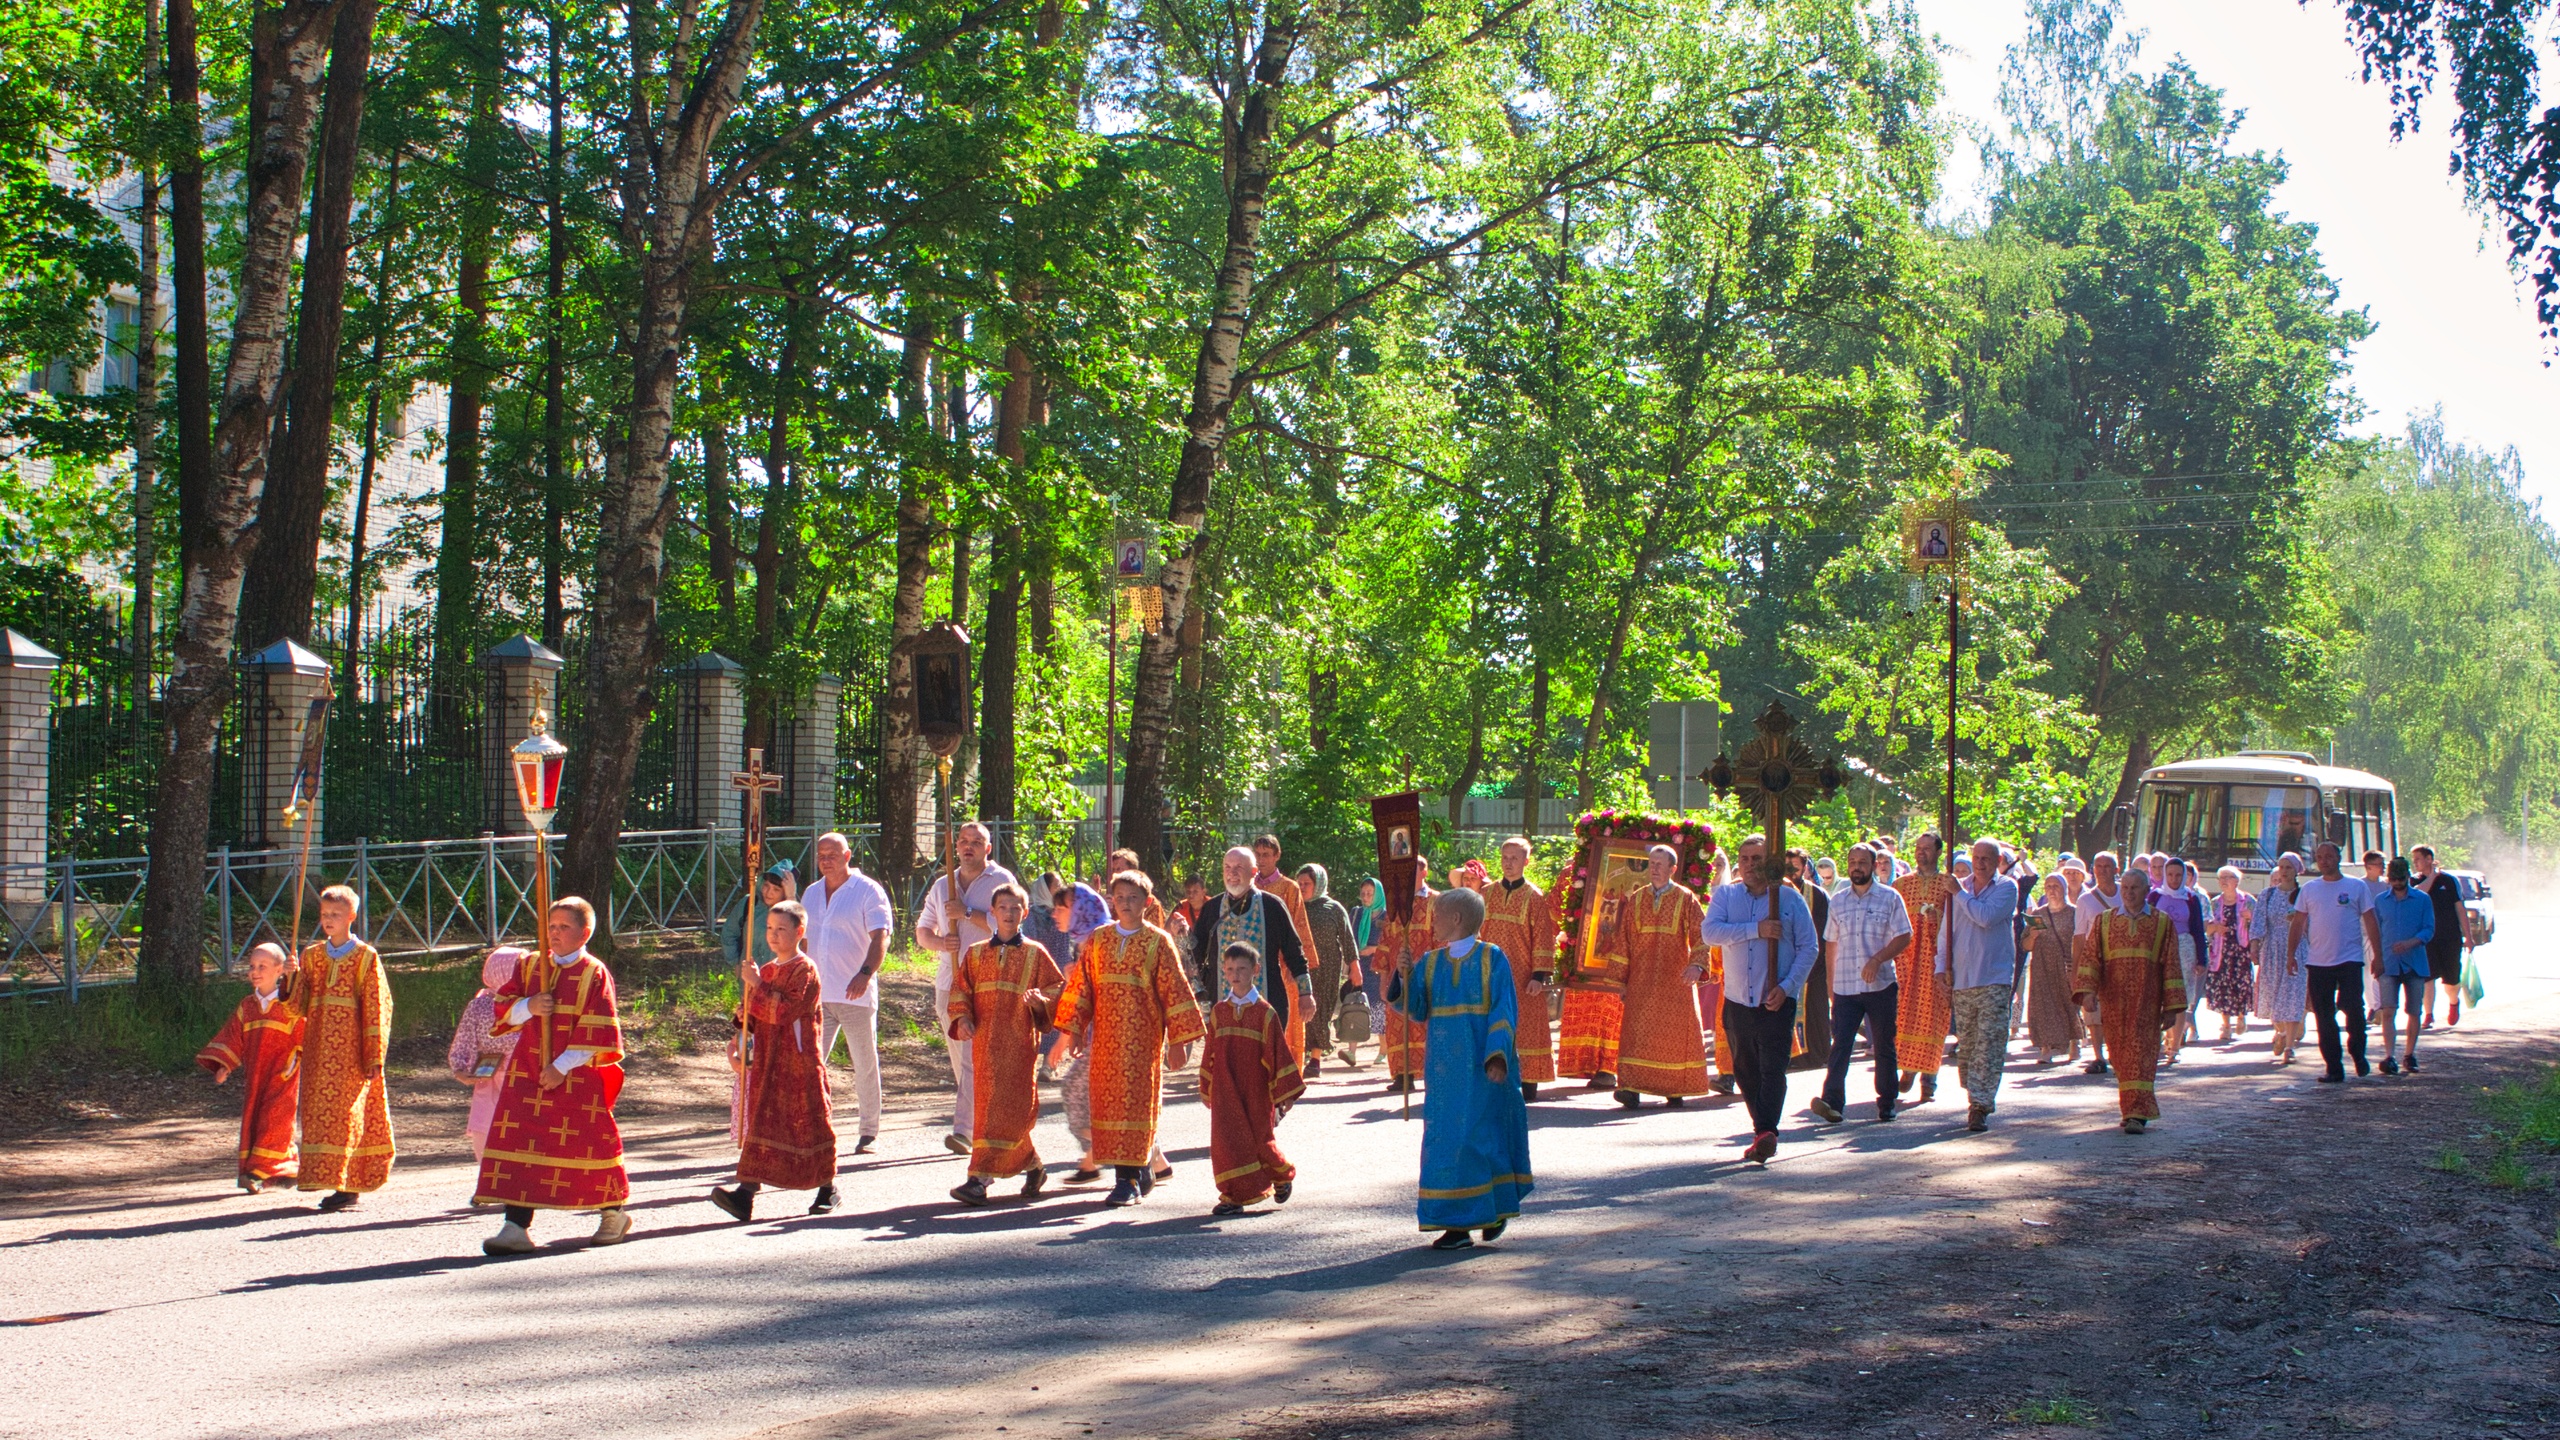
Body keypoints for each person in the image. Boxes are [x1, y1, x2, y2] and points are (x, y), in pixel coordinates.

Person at [477, 897, 632, 1254]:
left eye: (564, 927)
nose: (555, 934)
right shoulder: (531, 965)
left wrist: (561, 1067)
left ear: (585, 933)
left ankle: (612, 1213)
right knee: (520, 1142)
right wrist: (528, 1006)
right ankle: (515, 1225)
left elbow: (601, 1031)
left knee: (588, 1144)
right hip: (527, 1072)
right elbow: (502, 1010)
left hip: (576, 1075)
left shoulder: (595, 973)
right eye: (551, 926)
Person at [1051, 871, 1204, 1207]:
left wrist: (1178, 1042)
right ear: (1112, 901)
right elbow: (1083, 988)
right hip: (1105, 1043)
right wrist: (1074, 1028)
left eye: (1133, 898)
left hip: (1142, 1044)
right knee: (1108, 1107)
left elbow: (1174, 992)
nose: (1125, 904)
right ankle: (1138, 1172)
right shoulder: (1099, 940)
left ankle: (1128, 1181)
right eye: (1119, 898)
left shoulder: (1158, 942)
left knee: (1135, 1108)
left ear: (1147, 902)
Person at [1397, 886, 1532, 1250]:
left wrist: (1497, 1056)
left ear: (1456, 919)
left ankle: (1477, 1217)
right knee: (1444, 1141)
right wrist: (1404, 976)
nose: (1432, 920)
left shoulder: (1492, 958)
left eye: (1437, 914)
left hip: (1481, 1068)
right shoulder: (1430, 961)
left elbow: (1504, 1009)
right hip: (1442, 1074)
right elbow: (1417, 1008)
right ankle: (1457, 1222)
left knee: (1478, 1139)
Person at [710, 901, 838, 1220]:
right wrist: (744, 1016)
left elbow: (784, 1012)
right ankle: (745, 1194)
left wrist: (757, 988)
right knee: (764, 1122)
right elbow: (757, 1016)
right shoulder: (765, 970)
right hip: (768, 1063)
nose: (774, 935)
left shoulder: (805, 969)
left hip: (798, 1062)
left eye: (782, 929)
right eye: (769, 928)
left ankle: (827, 1187)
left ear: (799, 932)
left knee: (807, 1123)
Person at [1698, 834, 1820, 1164]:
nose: (1750, 865)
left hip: (1776, 998)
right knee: (1745, 1069)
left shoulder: (1789, 900)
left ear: (1770, 862)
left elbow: (1809, 947)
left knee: (1772, 1068)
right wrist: (1756, 929)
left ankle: (1767, 1130)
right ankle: (1761, 1129)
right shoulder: (1726, 895)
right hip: (1738, 999)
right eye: (1745, 858)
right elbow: (1710, 933)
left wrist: (1788, 986)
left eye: (1757, 859)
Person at [946, 883, 1065, 1205]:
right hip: (984, 1047)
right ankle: (1033, 1165)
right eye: (1003, 907)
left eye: (1016, 908)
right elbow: (960, 992)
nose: (1009, 913)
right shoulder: (975, 953)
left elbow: (1058, 989)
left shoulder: (1035, 953)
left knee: (1011, 1110)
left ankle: (979, 1179)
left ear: (1024, 913)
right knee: (987, 1111)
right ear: (993, 912)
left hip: (1019, 1045)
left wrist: (1041, 1001)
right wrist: (963, 1019)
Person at [917, 821, 1022, 1157]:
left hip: (987, 982)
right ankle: (981, 1122)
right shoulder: (942, 884)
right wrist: (939, 941)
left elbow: (1008, 925)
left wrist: (968, 913)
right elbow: (922, 932)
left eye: (976, 842)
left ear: (987, 848)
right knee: (961, 1057)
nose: (968, 847)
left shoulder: (1001, 882)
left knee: (974, 1061)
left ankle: (967, 1130)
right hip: (950, 983)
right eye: (963, 841)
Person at [296, 885, 394, 1212]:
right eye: (324, 914)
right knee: (319, 1115)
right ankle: (329, 1177)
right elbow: (299, 1006)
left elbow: (377, 1007)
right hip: (318, 1049)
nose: (329, 920)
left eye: (335, 915)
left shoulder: (366, 957)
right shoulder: (310, 956)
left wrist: (374, 1052)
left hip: (352, 1051)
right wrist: (289, 980)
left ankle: (348, 1185)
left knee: (347, 1115)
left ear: (351, 916)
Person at [2072, 868, 2184, 1133]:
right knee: (2120, 1057)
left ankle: (2137, 1113)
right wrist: (2087, 992)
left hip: (2148, 1003)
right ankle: (2130, 1107)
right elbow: (2091, 958)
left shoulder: (2161, 922)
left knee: (2143, 1056)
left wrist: (2172, 1006)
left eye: (2135, 888)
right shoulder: (2105, 921)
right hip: (2114, 1003)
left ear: (2146, 891)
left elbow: (2171, 965)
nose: (2130, 893)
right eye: (2126, 888)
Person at [803, 832, 892, 1155]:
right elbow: (803, 941)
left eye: (832, 854)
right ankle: (810, 1127)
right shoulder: (811, 894)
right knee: (811, 1062)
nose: (826, 860)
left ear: (847, 855)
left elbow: (880, 937)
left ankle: (869, 1132)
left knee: (864, 1062)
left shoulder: (867, 890)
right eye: (821, 855)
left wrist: (865, 974)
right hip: (818, 995)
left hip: (855, 992)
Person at [1201, 941, 1304, 1216]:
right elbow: (1210, 1051)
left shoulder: (1265, 1013)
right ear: (1224, 970)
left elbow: (1278, 1053)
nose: (1236, 974)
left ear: (1255, 970)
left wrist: (1285, 1094)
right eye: (1231, 968)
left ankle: (1283, 1174)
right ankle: (1232, 1196)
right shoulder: (1219, 1012)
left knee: (1259, 1139)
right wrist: (1206, 1084)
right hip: (1225, 1089)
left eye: (1242, 968)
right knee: (1227, 1141)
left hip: (1256, 1090)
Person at [1812, 844, 1909, 1124]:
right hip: (1845, 986)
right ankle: (1832, 1101)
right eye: (1852, 861)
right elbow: (1831, 944)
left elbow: (1904, 935)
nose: (1857, 867)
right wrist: (1831, 985)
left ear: (1874, 865)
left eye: (1862, 862)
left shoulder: (1890, 898)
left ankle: (1887, 1100)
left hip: (1880, 986)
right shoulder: (1838, 900)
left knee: (1883, 1046)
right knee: (1840, 1045)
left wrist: (1878, 959)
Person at [197, 941, 305, 1192]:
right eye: (252, 966)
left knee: (275, 1118)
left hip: (283, 1072)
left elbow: (304, 1032)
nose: (255, 971)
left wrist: (296, 1059)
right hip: (256, 1073)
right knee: (256, 1118)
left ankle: (256, 1173)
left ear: (280, 970)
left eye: (263, 966)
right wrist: (225, 1065)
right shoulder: (247, 1006)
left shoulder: (289, 1004)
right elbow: (234, 1037)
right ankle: (285, 1168)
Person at [1611, 844, 1712, 1109]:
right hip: (1641, 980)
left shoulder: (1686, 898)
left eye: (1659, 864)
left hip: (1675, 980)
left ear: (1672, 868)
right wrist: (1621, 981)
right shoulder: (1637, 898)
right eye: (1651, 863)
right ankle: (1630, 1088)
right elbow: (1624, 940)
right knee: (1636, 1033)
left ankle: (1673, 1087)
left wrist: (1697, 965)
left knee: (1673, 1035)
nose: (1653, 869)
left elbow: (1702, 936)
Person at [1942, 838, 2020, 1132]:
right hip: (1963, 980)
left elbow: (1985, 917)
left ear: (1998, 861)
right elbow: (1945, 932)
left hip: (1993, 979)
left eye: (1987, 858)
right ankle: (1974, 1091)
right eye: (1976, 857)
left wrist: (1959, 894)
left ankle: (1980, 1104)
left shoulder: (2006, 888)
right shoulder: (1958, 888)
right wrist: (1941, 968)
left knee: (1989, 1044)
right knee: (1969, 1047)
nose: (1980, 863)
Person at [1471, 838, 1558, 1096]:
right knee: (1490, 1022)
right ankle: (1490, 1080)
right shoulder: (1486, 894)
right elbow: (1475, 932)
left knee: (1526, 1027)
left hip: (1522, 976)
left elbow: (1543, 937)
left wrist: (1538, 976)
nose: (1509, 863)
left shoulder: (1534, 897)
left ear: (1526, 861)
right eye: (1505, 858)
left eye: (1514, 859)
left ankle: (1528, 1082)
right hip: (1490, 973)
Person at [2292, 842, 2380, 1083]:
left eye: (2329, 856)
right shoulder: (2310, 889)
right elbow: (2298, 923)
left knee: (2353, 1008)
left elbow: (2371, 921)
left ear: (2338, 858)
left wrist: (2378, 957)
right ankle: (2333, 1066)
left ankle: (2358, 1054)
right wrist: (2290, 955)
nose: (2324, 861)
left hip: (2350, 959)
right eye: (2319, 857)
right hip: (2318, 962)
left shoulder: (2355, 886)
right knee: (2324, 1015)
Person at [1249, 835, 1326, 1072]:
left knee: (1288, 1021)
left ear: (1276, 856)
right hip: (1252, 966)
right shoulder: (1248, 886)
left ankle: (1288, 1074)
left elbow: (1299, 928)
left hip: (1284, 967)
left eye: (1266, 855)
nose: (1261, 860)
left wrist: (1298, 968)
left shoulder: (1290, 888)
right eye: (1258, 855)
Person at [1891, 833, 1957, 1105]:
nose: (1921, 853)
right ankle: (1906, 1069)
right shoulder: (1901, 885)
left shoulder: (1948, 885)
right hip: (1907, 962)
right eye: (1918, 848)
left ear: (1939, 852)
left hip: (1936, 963)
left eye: (1927, 849)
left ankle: (1929, 1078)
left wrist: (1937, 918)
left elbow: (1957, 922)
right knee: (1904, 1015)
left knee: (1935, 1019)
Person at [447, 946, 526, 1163]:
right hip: (489, 1077)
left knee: (522, 1131)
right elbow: (464, 1040)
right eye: (520, 971)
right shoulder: (480, 1005)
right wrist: (461, 1069)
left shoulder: (528, 1004)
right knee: (488, 1133)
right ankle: (491, 1181)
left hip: (524, 1076)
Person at [2369, 856, 2435, 1076]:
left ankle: (2410, 1053)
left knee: (2413, 1011)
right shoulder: (2380, 901)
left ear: (2408, 876)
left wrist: (2411, 943)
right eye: (2393, 879)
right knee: (2388, 1010)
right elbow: (2375, 932)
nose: (2397, 883)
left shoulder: (2422, 899)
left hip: (2415, 963)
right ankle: (2389, 1056)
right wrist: (2376, 958)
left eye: (2401, 878)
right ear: (2389, 879)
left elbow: (2429, 929)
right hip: (2388, 964)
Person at [1377, 862, 1439, 1092]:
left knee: (1425, 1023)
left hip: (1426, 975)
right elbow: (1385, 942)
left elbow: (1441, 938)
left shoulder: (1436, 901)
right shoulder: (1395, 904)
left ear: (1425, 872)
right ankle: (1403, 1075)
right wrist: (1383, 978)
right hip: (1398, 977)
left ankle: (1430, 1071)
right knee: (1398, 1021)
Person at [1296, 864, 1362, 1075]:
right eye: (1300, 883)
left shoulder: (1333, 908)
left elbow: (1347, 939)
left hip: (1327, 968)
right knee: (1297, 1010)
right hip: (1298, 967)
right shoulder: (1293, 906)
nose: (1302, 887)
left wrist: (1355, 968)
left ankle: (1315, 1059)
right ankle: (1298, 1054)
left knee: (1321, 1009)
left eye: (1307, 883)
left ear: (1319, 884)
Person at [2072, 852, 2127, 1075]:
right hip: (2094, 959)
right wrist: (2075, 971)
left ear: (2116, 869)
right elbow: (2078, 936)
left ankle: (2117, 1052)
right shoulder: (2085, 900)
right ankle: (2098, 1055)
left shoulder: (2127, 893)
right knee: (2093, 1009)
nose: (2102, 871)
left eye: (2107, 866)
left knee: (2118, 1007)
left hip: (2123, 959)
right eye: (2098, 866)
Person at [2253, 853, 2311, 1065]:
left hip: (2297, 950)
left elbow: (2313, 925)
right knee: (2273, 997)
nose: (2284, 871)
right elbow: (2258, 922)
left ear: (2296, 870)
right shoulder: (2267, 895)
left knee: (2293, 994)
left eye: (2288, 867)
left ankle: (2289, 1047)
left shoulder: (2304, 895)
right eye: (2281, 867)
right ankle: (2282, 1032)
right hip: (2272, 950)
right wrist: (2254, 945)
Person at [2409, 845, 2473, 1028]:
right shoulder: (2414, 881)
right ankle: (2428, 1015)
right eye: (2414, 860)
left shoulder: (2449, 881)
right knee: (2427, 978)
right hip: (2426, 938)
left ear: (2429, 858)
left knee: (2451, 981)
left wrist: (2468, 936)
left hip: (2450, 937)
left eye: (2418, 859)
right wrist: (2432, 877)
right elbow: (2419, 893)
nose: (2415, 863)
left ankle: (2454, 1002)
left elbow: (2460, 909)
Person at [2021, 875, 2081, 1065]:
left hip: (2066, 966)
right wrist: (2033, 936)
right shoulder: (2037, 915)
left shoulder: (2074, 913)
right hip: (2042, 967)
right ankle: (2045, 1048)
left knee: (2068, 1005)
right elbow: (2025, 946)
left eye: (2056, 886)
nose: (2052, 890)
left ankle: (2074, 1042)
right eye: (2048, 886)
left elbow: (2081, 939)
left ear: (2064, 888)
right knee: (2043, 1006)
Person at [2155, 858, 2210, 1062]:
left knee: (2180, 998)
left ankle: (2175, 1046)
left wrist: (2201, 959)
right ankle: (2160, 1040)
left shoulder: (2191, 899)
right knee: (2159, 996)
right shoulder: (2155, 896)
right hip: (2160, 948)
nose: (2174, 879)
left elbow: (2198, 929)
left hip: (2185, 950)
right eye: (2170, 874)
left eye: (2178, 875)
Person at [2202, 866, 2257, 1040]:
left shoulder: (2248, 900)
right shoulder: (2215, 903)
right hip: (2220, 951)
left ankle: (2241, 1016)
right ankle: (2225, 1025)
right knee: (2221, 986)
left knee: (2241, 985)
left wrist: (2250, 917)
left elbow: (2260, 925)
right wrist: (2216, 928)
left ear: (2237, 881)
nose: (2224, 881)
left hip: (2241, 951)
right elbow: (2206, 928)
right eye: (2221, 878)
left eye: (2228, 877)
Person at [718, 861, 798, 968]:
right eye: (766, 886)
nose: (769, 892)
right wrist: (735, 963)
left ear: (785, 891)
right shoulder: (749, 903)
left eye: (776, 889)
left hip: (778, 978)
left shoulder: (794, 910)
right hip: (748, 977)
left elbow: (799, 942)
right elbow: (729, 932)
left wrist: (791, 899)